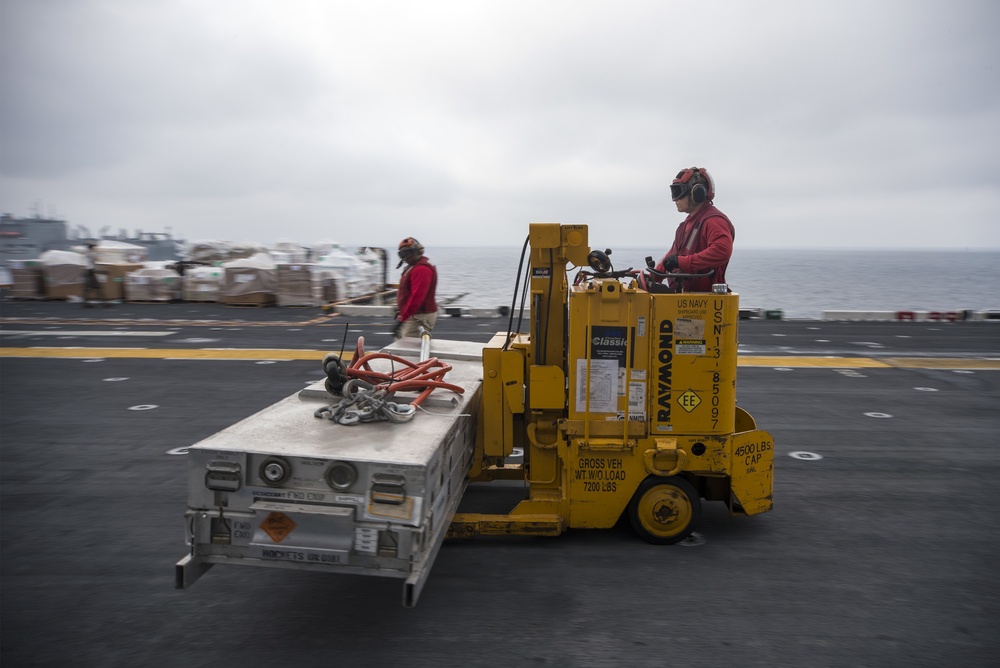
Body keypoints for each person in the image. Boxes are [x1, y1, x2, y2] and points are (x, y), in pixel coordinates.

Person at [649, 166, 735, 293]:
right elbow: (672, 257)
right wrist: (652, 278)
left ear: (697, 193)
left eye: (678, 192)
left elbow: (722, 250)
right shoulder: (685, 227)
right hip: (685, 301)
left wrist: (682, 262)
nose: (675, 199)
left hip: (705, 302)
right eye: (673, 193)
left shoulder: (714, 221)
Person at [393, 237, 438, 339]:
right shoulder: (413, 266)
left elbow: (416, 298)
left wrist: (402, 318)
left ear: (418, 251)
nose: (405, 257)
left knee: (408, 348)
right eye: (402, 254)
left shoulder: (421, 269)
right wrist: (402, 312)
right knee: (400, 344)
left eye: (408, 253)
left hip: (420, 317)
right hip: (413, 314)